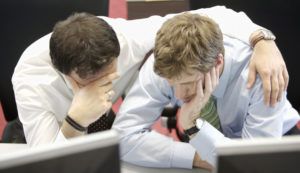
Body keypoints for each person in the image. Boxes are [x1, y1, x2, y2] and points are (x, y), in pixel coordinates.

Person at [13, 6, 288, 147]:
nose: (111, 86)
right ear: (70, 78)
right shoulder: (31, 81)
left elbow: (210, 15)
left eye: (114, 72)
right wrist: (75, 120)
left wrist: (262, 40)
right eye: (100, 83)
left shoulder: (127, 39)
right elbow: (49, 160)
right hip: (50, 132)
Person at [112, 12, 300, 169]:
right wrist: (197, 156)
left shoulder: (260, 74)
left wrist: (192, 127)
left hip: (276, 144)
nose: (178, 96)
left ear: (217, 63)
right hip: (205, 145)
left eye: (188, 82)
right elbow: (123, 137)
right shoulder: (163, 65)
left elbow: (254, 165)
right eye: (172, 84)